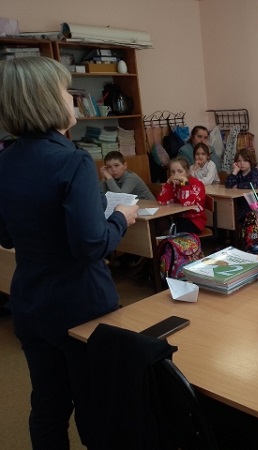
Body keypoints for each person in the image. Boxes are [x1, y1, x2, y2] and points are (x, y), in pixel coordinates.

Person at [0, 56, 139, 449]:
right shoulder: (73, 161)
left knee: (48, 404)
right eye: (66, 91)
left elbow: (6, 236)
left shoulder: (5, 161)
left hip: (30, 301)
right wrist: (121, 219)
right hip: (80, 304)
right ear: (47, 99)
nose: (73, 99)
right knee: (96, 406)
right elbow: (91, 246)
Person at [157, 156, 207, 233]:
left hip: (194, 221)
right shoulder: (173, 184)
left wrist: (185, 184)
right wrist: (168, 184)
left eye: (180, 171)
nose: (176, 175)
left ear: (187, 172)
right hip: (177, 218)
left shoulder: (196, 184)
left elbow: (187, 204)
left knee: (168, 230)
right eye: (173, 172)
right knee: (158, 224)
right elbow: (161, 201)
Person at [225, 148, 258, 221]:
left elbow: (254, 184)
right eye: (239, 161)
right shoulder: (238, 173)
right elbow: (228, 184)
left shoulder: (255, 172)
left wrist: (237, 186)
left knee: (235, 215)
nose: (242, 163)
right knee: (228, 212)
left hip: (251, 204)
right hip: (238, 202)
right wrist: (235, 171)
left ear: (250, 161)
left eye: (245, 161)